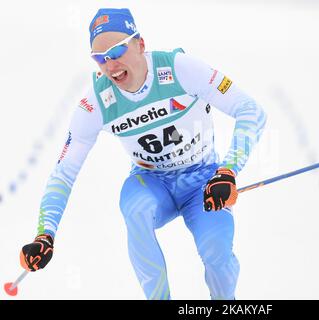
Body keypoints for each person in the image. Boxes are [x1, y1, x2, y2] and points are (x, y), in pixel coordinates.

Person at [19, 8, 266, 300]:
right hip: (152, 182)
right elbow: (64, 172)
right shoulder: (95, 102)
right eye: (100, 58)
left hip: (203, 180)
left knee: (217, 252)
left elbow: (251, 111)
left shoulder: (180, 68)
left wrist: (228, 171)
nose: (110, 65)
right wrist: (44, 233)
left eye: (116, 51)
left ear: (140, 44)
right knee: (136, 207)